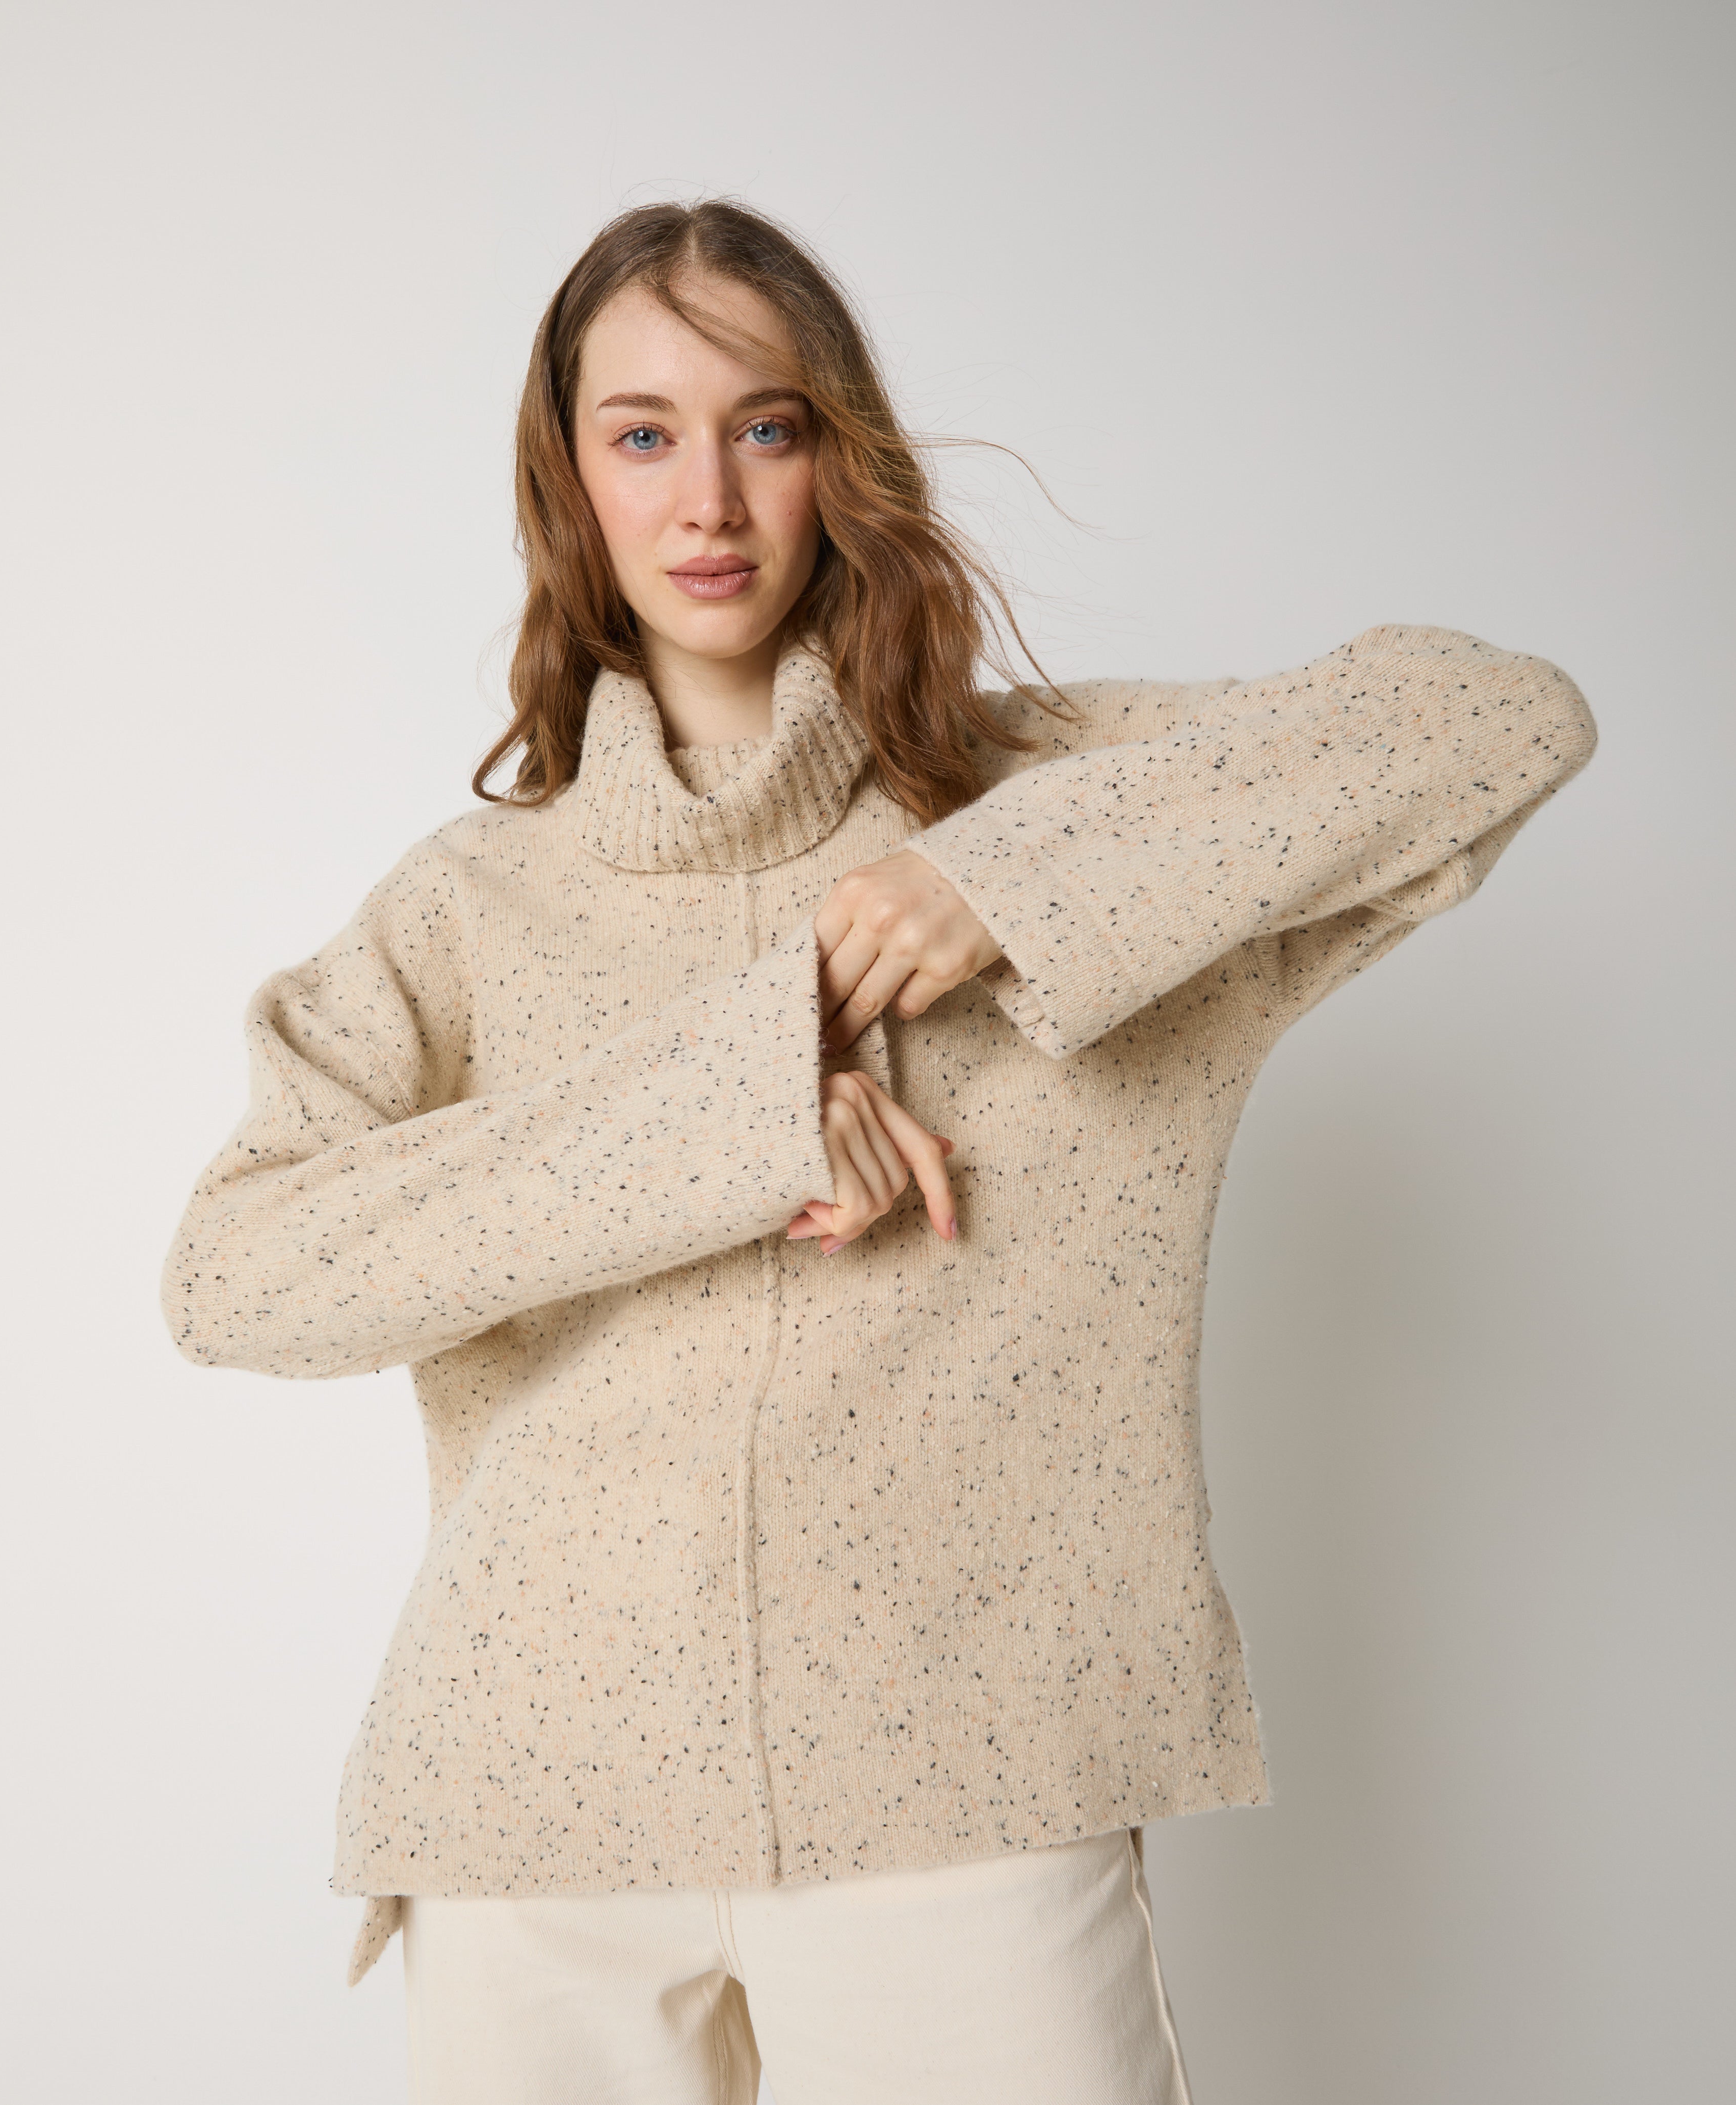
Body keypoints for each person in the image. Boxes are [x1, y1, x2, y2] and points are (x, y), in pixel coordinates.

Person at [159, 199, 1598, 2104]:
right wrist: (727, 1108)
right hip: (534, 1803)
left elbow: (1496, 717)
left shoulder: (1046, 801)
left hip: (968, 1787)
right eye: (642, 433)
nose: (709, 500)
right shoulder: (470, 907)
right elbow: (236, 1274)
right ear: (568, 478)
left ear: (838, 455)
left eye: (765, 426)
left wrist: (1008, 876)